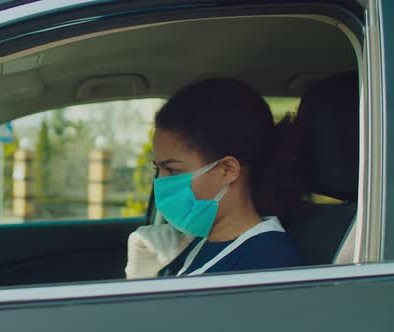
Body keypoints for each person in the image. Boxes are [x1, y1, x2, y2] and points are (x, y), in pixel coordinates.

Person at [125, 78, 304, 279]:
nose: (161, 183)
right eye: (157, 169)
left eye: (173, 171)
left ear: (227, 170)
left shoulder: (267, 260)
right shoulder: (197, 245)